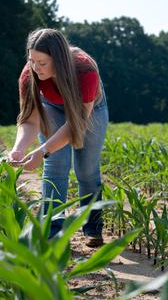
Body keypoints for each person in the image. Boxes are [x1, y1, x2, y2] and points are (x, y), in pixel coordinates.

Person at [7, 28, 108, 248]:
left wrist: (41, 150)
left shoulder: (85, 71)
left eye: (42, 63)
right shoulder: (29, 75)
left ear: (59, 59)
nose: (36, 68)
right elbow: (29, 120)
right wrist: (19, 148)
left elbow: (75, 125)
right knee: (55, 165)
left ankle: (92, 228)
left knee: (87, 170)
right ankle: (53, 232)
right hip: (51, 106)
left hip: (90, 109)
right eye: (32, 61)